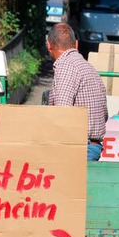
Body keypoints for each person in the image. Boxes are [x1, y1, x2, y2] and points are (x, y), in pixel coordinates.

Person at [46, 23, 108, 161]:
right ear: (77, 44)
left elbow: (63, 113)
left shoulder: (65, 66)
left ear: (48, 45)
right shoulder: (88, 68)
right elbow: (104, 113)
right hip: (92, 147)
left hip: (77, 148)